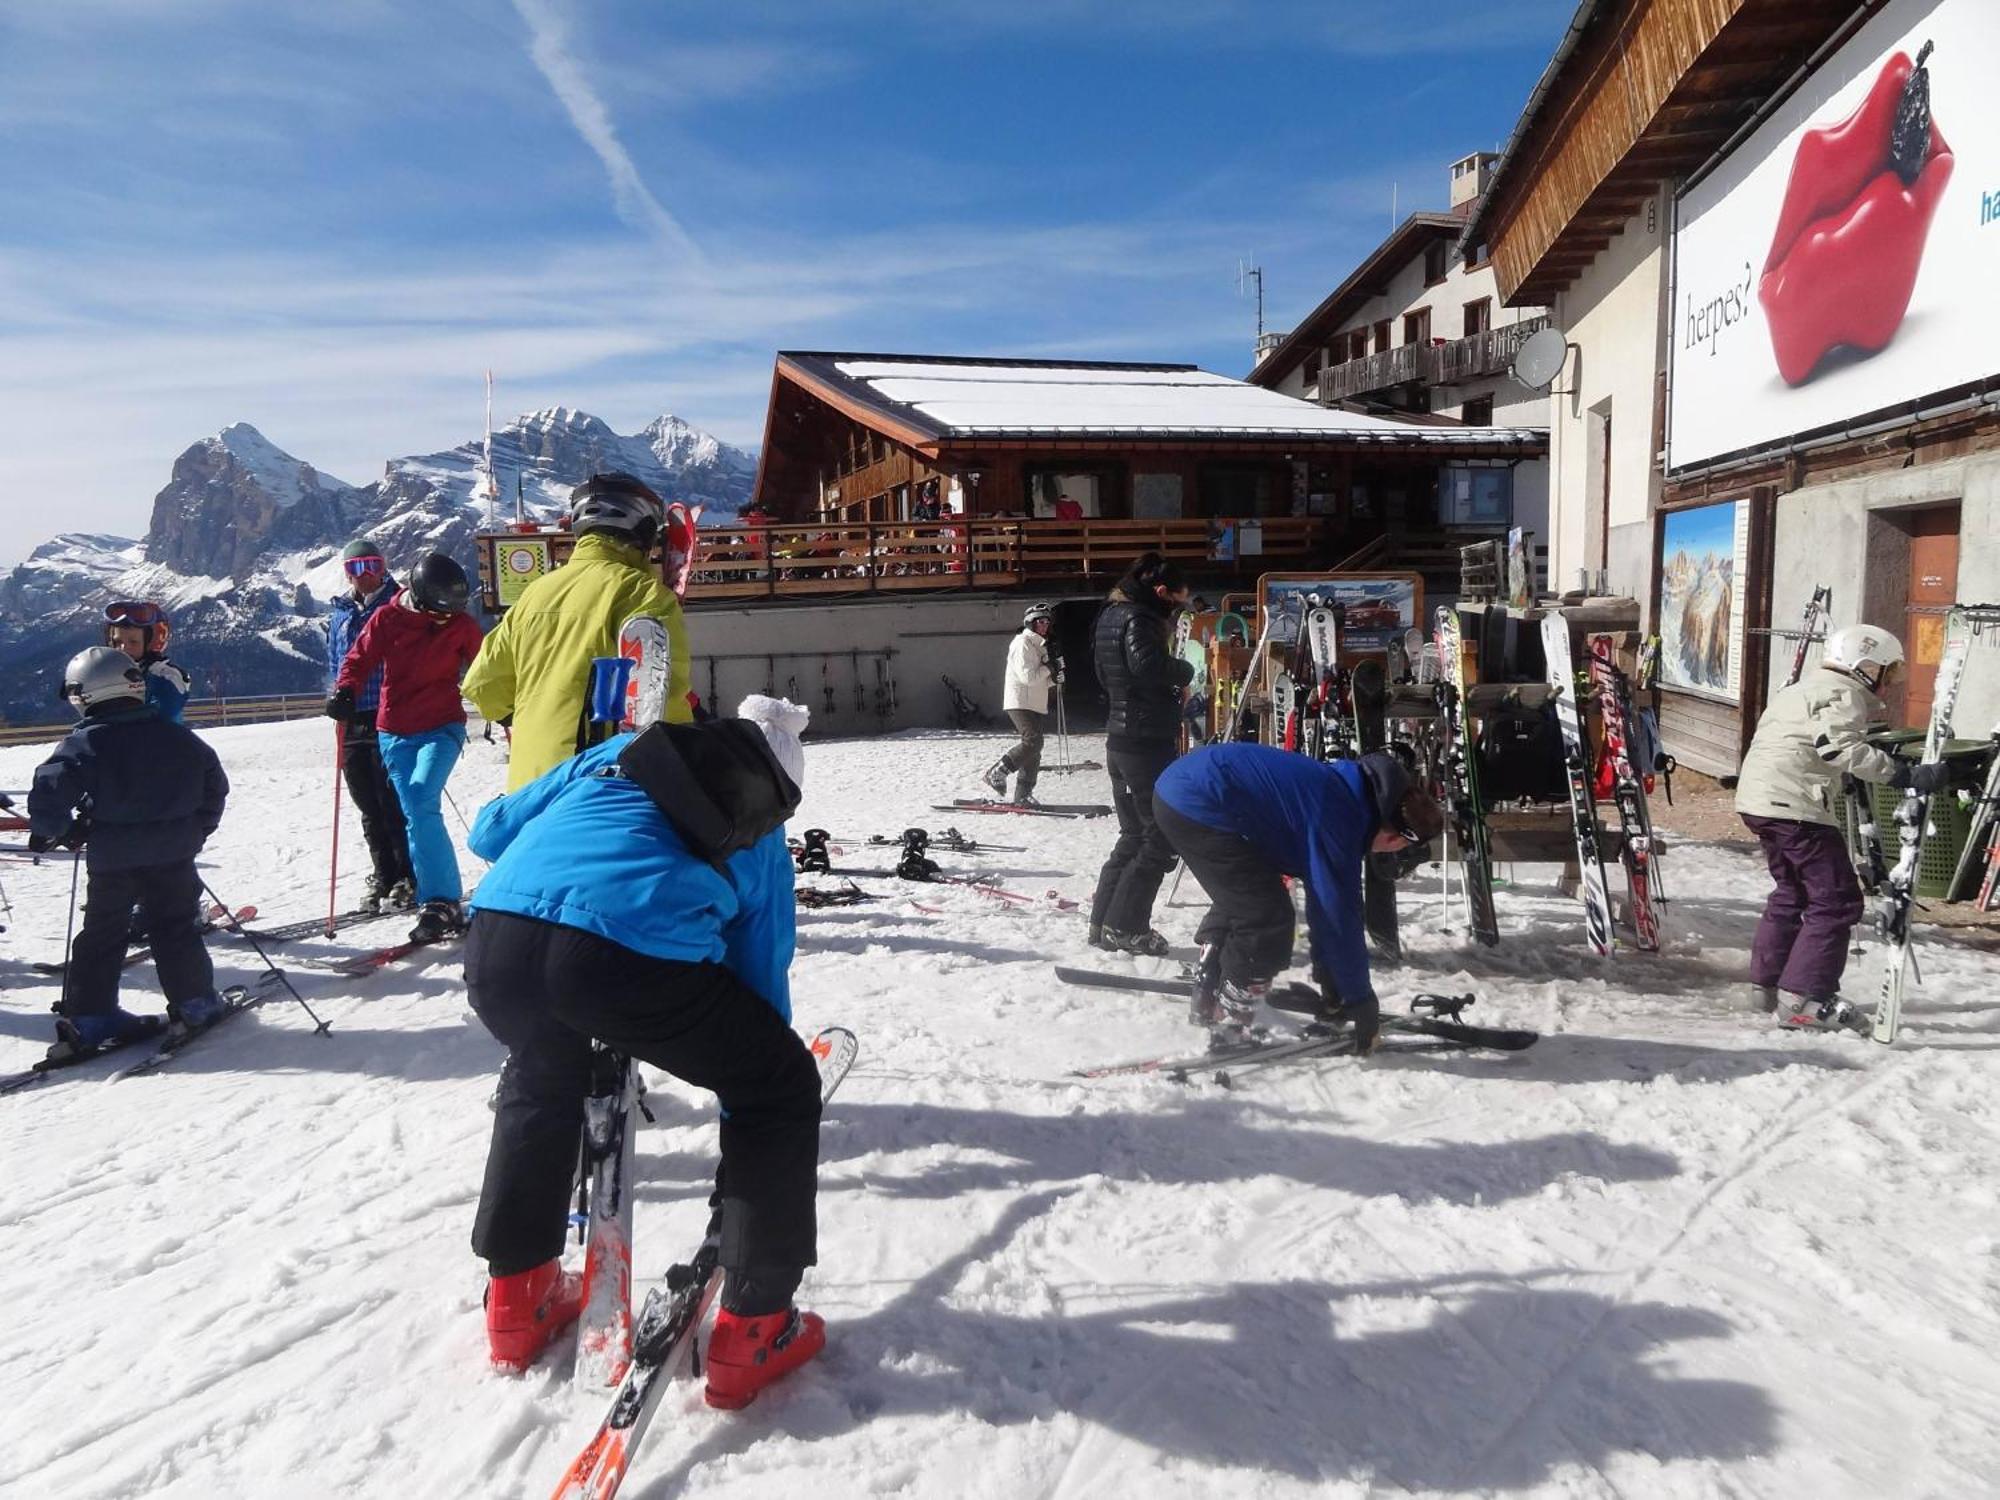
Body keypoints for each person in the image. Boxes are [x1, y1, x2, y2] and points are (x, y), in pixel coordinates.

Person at [461, 696, 825, 1407]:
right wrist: (753, 1083)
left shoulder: (615, 755)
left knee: (541, 1073)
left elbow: (488, 831)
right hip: (618, 960)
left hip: (499, 936)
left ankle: (518, 1296)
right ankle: (755, 1327)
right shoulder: (758, 826)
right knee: (776, 1085)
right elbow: (760, 974)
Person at [1154, 745, 1444, 1048]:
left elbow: (1326, 908)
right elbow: (1337, 915)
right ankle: (1230, 1020)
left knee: (1252, 893)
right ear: (1394, 837)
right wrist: (1360, 999)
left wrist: (1333, 983)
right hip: (1196, 802)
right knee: (1268, 920)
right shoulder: (1342, 819)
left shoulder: (1349, 794)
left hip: (1187, 789)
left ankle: (1212, 974)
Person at [1734, 623, 1946, 1029]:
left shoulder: (1802, 688)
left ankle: (1766, 984)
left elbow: (1807, 741)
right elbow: (1837, 747)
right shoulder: (1844, 693)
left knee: (1792, 892)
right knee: (1836, 900)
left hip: (1760, 800)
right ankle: (1804, 997)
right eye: (1886, 673)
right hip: (1795, 804)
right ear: (1864, 665)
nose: (1887, 684)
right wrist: (1904, 775)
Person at [28, 647, 231, 1054]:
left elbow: (49, 791)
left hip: (112, 859)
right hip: (173, 855)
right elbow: (214, 789)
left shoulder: (85, 743)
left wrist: (61, 831)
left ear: (85, 695)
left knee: (102, 933)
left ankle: (90, 1017)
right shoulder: (179, 738)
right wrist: (195, 833)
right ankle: (194, 1004)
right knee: (175, 928)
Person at [463, 473, 693, 791]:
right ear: (644, 529)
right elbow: (661, 706)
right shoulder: (644, 595)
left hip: (529, 792)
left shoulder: (534, 594)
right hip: (600, 791)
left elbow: (483, 686)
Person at [330, 552, 483, 943]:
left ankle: (440, 900)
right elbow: (359, 658)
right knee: (413, 811)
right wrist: (345, 690)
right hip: (394, 731)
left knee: (418, 800)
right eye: (438, 613)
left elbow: (486, 668)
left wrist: (506, 706)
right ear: (419, 598)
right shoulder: (388, 618)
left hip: (442, 727)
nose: (445, 620)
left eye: (452, 613)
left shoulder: (460, 624)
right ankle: (429, 894)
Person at [1089, 551, 1195, 955]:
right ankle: (1126, 926)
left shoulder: (1110, 613)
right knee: (1160, 835)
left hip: (1120, 736)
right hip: (1144, 741)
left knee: (1134, 833)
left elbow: (1104, 672)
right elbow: (1147, 664)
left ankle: (1102, 921)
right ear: (1161, 592)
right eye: (1178, 602)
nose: (1178, 610)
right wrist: (1183, 673)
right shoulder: (1139, 617)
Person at [325, 539, 414, 913]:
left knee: (391, 799)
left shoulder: (400, 604)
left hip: (389, 713)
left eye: (371, 565)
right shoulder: (341, 612)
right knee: (367, 804)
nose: (364, 576)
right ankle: (384, 874)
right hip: (352, 717)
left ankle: (408, 876)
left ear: (384, 566)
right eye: (355, 568)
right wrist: (337, 698)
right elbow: (335, 659)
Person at [984, 603, 1056, 805]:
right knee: (1033, 741)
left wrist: (1055, 676)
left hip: (1035, 701)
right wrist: (1049, 668)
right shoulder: (1022, 643)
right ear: (1030, 623)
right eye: (1041, 622)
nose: (1044, 626)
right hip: (1020, 700)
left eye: (1047, 622)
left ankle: (1023, 795)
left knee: (1034, 751)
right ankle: (998, 771)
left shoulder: (1040, 645)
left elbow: (1043, 679)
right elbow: (1027, 677)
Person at [102, 601, 192, 724]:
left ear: (151, 642)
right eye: (117, 642)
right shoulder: (111, 673)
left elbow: (166, 709)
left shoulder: (163, 676)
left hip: (161, 740)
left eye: (133, 642)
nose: (123, 648)